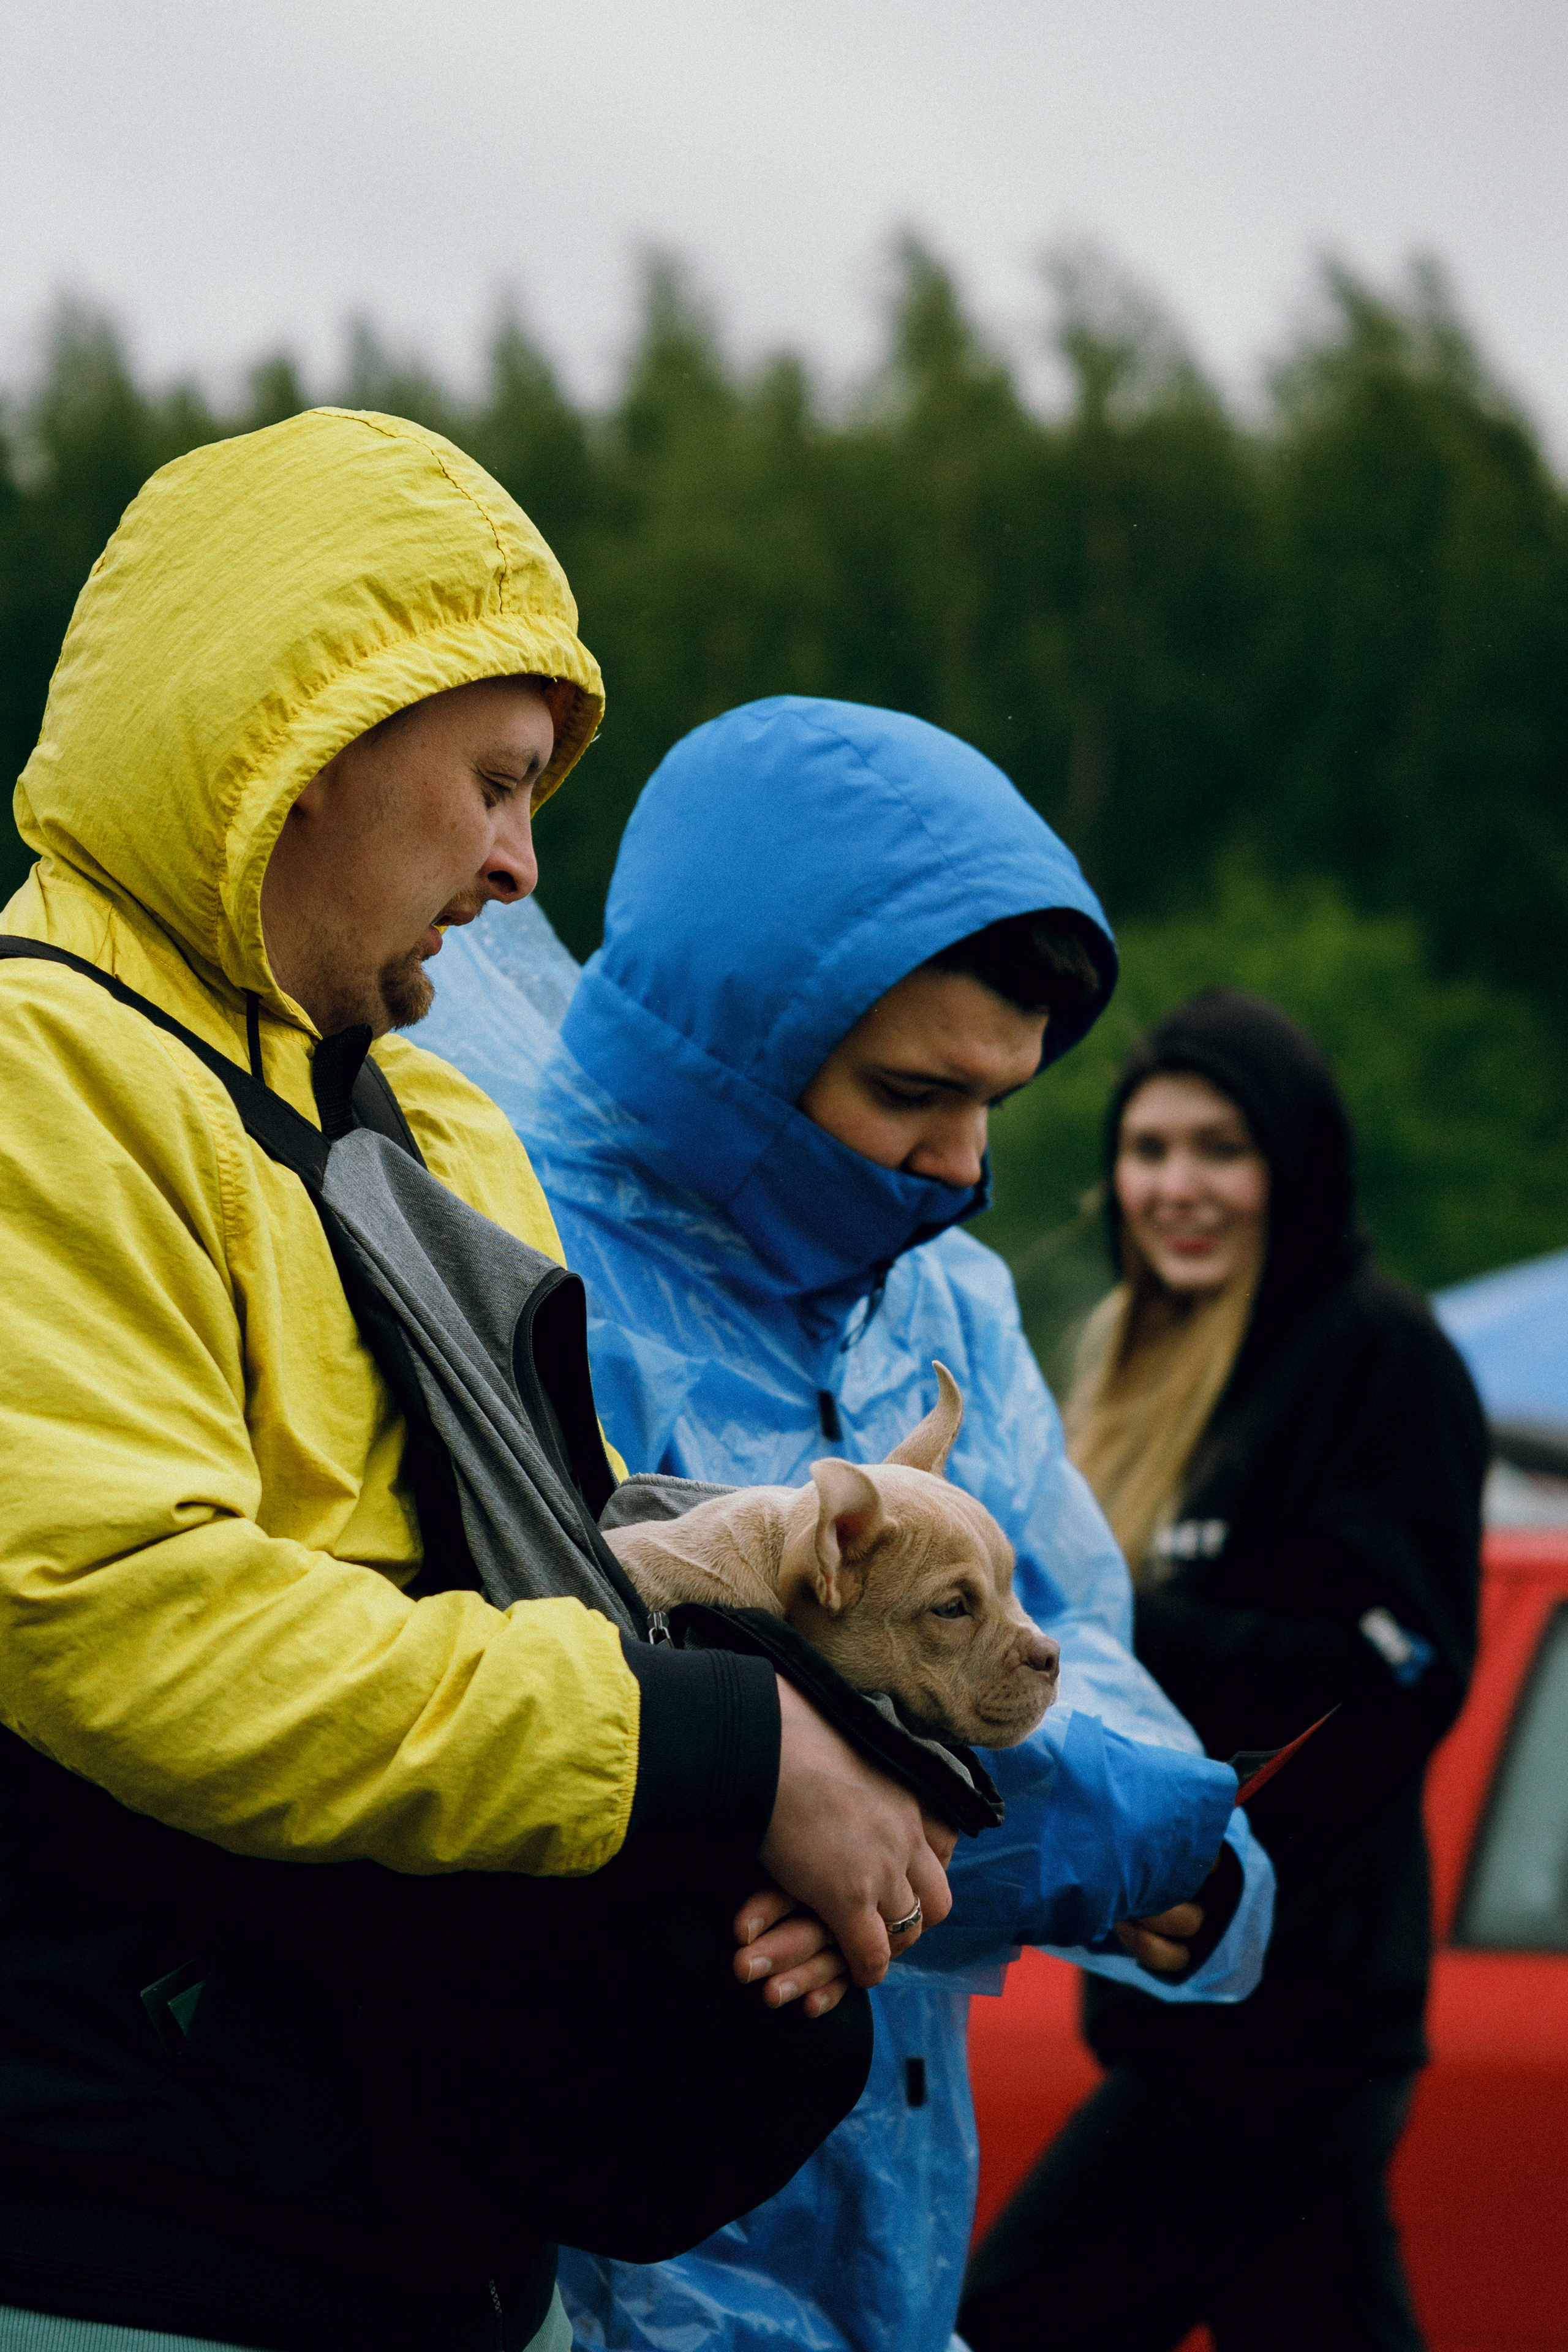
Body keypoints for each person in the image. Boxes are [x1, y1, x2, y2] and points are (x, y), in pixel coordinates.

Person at [0, 420, 956, 2352]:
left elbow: (565, 1581)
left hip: (418, 2239)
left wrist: (835, 1772)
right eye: (498, 786)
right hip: (135, 2249)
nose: (523, 868)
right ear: (303, 741)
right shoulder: (47, 1078)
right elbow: (111, 1611)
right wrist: (718, 1761)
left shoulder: (424, 1121)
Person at [418, 697, 1277, 2352]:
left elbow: (1073, 1641)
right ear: (730, 1044)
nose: (960, 1168)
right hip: (588, 2269)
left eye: (998, 1106)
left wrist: (1149, 1837)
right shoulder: (500, 1244)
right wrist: (1062, 1817)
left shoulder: (939, 1306)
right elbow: (542, 1715)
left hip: (887, 2260)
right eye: (909, 1093)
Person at [960, 989, 1487, 2352]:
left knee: (1016, 2320)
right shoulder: (1126, 1356)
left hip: (1291, 2023)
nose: (1173, 1187)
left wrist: (1115, 1626)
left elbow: (1401, 1672)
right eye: (1146, 1151)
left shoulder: (1374, 1355)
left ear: (1290, 1163)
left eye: (1217, 1149)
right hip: (1174, 2009)